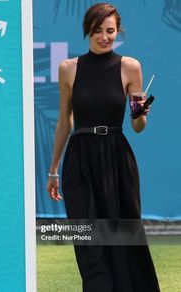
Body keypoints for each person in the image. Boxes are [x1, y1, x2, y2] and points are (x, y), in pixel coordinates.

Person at [46, 3, 160, 292]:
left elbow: (137, 127)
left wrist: (141, 113)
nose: (104, 37)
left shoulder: (130, 67)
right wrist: (53, 170)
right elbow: (64, 122)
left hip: (116, 159)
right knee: (87, 237)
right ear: (88, 30)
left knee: (122, 237)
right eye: (98, 31)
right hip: (79, 158)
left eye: (110, 31)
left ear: (117, 31)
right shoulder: (68, 68)